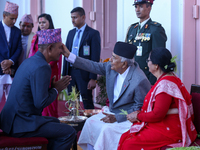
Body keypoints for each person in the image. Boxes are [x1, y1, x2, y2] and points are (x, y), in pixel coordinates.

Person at [62, 41, 151, 150]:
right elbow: (92, 65)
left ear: (124, 64)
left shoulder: (139, 80)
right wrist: (69, 55)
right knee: (90, 123)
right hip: (112, 111)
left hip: (127, 119)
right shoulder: (111, 67)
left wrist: (117, 118)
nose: (110, 60)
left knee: (105, 130)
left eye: (114, 57)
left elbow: (140, 108)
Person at [0, 28, 76, 150]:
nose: (61, 51)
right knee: (69, 132)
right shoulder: (42, 67)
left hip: (10, 121)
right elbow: (40, 103)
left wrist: (52, 88)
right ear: (50, 48)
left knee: (56, 122)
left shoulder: (29, 61)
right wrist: (56, 89)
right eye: (60, 47)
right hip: (21, 123)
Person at [117, 47, 197, 150]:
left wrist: (138, 116)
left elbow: (158, 114)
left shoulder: (165, 85)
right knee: (126, 136)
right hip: (165, 123)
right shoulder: (168, 78)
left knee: (129, 143)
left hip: (170, 128)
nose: (147, 63)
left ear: (156, 65)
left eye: (148, 60)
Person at [62, 7, 101, 109]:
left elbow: (95, 57)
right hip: (71, 72)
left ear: (83, 17)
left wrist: (93, 78)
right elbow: (65, 53)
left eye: (75, 17)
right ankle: (74, 122)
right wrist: (64, 75)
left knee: (87, 101)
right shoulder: (71, 33)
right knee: (72, 101)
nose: (72, 20)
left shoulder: (93, 33)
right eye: (71, 17)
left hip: (84, 72)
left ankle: (89, 123)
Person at [125, 0, 167, 85]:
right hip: (131, 76)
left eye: (140, 6)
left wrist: (153, 82)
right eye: (136, 7)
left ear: (149, 8)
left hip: (146, 77)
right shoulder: (132, 29)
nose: (137, 10)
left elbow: (158, 58)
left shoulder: (155, 29)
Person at [29, 13, 61, 118]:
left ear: (49, 22)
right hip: (38, 70)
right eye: (40, 22)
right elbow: (32, 53)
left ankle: (52, 119)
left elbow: (56, 54)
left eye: (44, 22)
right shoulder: (36, 36)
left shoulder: (55, 35)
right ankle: (41, 118)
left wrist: (43, 64)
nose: (41, 24)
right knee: (39, 94)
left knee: (50, 95)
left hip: (50, 70)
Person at [0, 1, 22, 102]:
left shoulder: (17, 31)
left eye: (16, 19)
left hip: (12, 70)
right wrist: (3, 64)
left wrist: (11, 61)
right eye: (12, 18)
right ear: (4, 16)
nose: (14, 21)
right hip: (0, 69)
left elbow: (19, 48)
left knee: (12, 101)